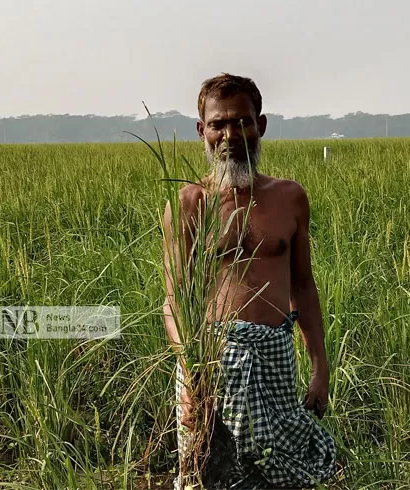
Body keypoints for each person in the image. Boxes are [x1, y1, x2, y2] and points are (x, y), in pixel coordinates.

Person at [162, 73, 337, 489]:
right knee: (208, 473)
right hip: (210, 360)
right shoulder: (188, 204)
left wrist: (320, 367)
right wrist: (193, 371)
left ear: (261, 124)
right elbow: (173, 300)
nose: (230, 135)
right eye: (218, 124)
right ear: (201, 131)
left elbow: (303, 286)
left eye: (241, 121)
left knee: (282, 469)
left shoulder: (289, 197)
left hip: (274, 354)